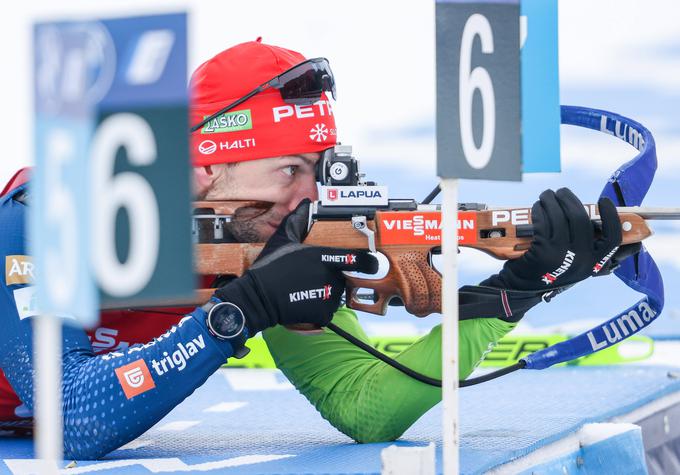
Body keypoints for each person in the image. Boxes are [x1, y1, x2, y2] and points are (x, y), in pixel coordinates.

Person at [0, 39, 628, 460]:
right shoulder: (43, 218)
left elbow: (366, 405)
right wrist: (237, 315)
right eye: (289, 171)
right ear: (202, 169)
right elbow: (74, 416)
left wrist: (512, 293)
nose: (309, 196)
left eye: (319, 170)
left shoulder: (254, 237)